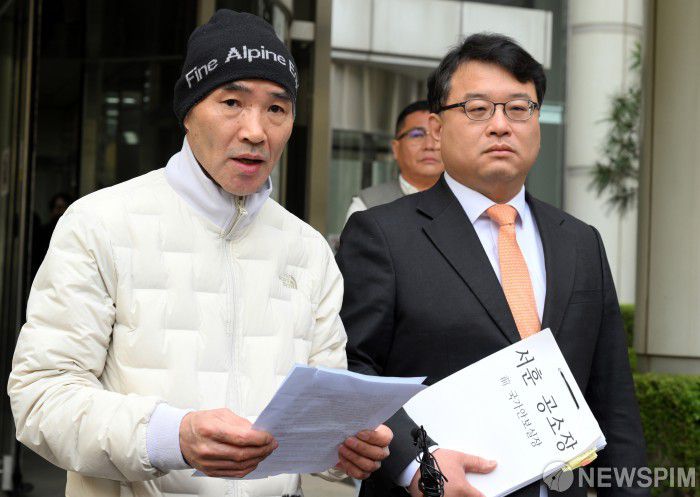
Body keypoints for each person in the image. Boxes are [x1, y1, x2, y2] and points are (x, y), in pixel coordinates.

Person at [9, 10, 391, 497]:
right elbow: (41, 398)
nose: (256, 130)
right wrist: (171, 437)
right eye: (232, 102)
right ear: (188, 112)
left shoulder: (308, 250)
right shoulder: (99, 223)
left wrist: (345, 450)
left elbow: (322, 415)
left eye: (277, 108)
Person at [336, 33, 648, 497]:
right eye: (477, 109)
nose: (501, 126)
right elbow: (350, 367)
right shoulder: (382, 234)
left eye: (519, 108)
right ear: (437, 129)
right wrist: (416, 464)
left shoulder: (581, 241)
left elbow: (613, 402)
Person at [345, 100, 443, 219]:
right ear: (396, 148)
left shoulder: (463, 199)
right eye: (417, 134)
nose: (429, 145)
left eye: (438, 134)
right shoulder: (366, 206)